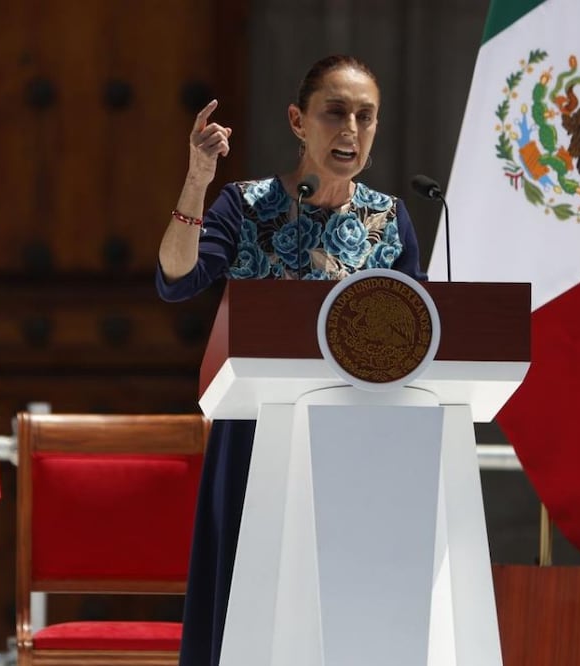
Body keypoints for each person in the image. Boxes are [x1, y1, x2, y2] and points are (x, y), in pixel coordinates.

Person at [155, 54, 427, 666]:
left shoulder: (390, 218)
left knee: (341, 617)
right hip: (256, 438)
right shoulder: (245, 205)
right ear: (298, 122)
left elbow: (416, 334)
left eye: (366, 115)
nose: (351, 129)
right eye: (335, 112)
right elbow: (176, 279)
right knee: (247, 606)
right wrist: (198, 177)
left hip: (357, 442)